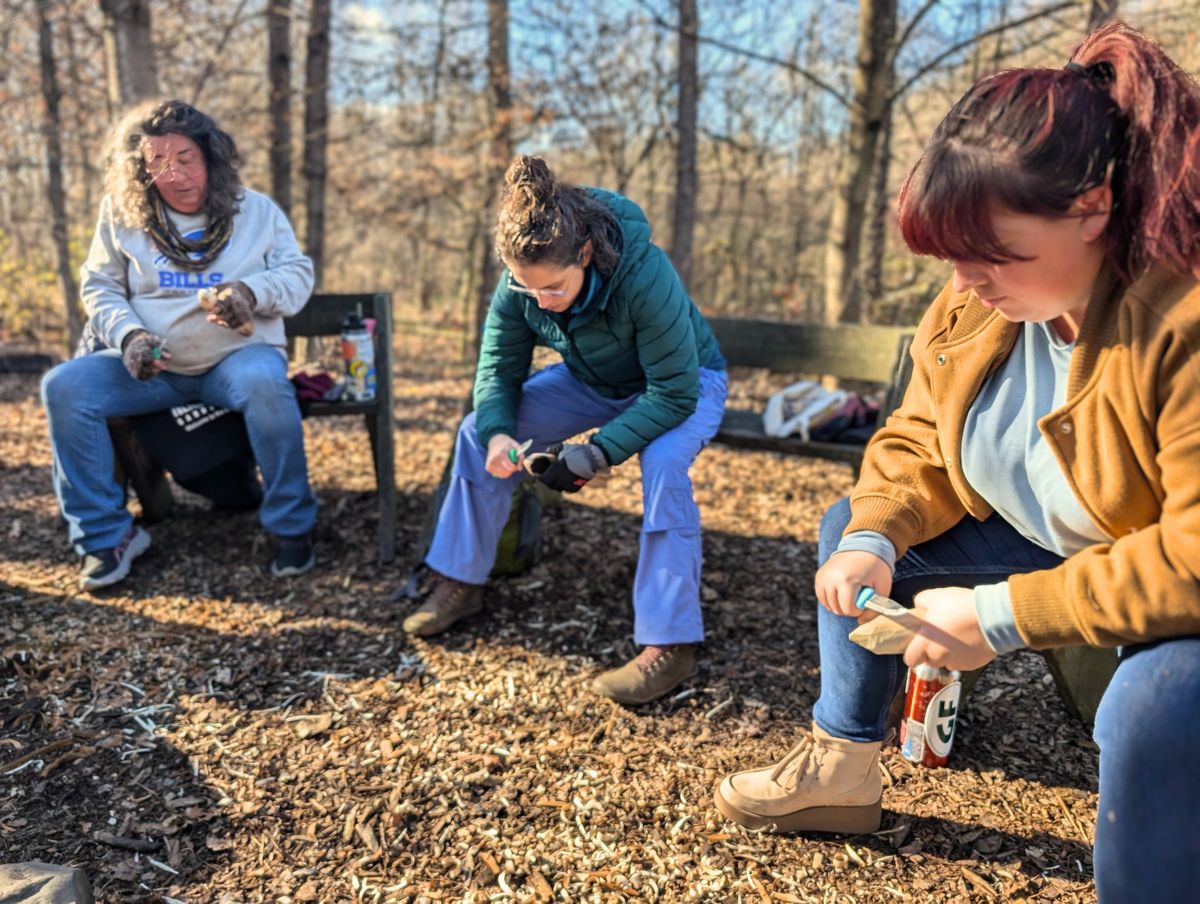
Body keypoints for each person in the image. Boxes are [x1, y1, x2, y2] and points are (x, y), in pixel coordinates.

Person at [713, 23, 1200, 902]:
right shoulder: (983, 295)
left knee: (1156, 711)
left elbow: (1192, 555)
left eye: (989, 254)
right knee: (852, 534)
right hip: (1056, 532)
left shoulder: (1181, 320)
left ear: (1093, 207)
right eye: (952, 257)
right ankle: (846, 765)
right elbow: (916, 438)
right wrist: (873, 531)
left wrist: (1002, 614)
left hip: (1162, 567)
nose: (964, 281)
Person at [404, 155, 727, 706]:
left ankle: (671, 643)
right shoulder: (522, 283)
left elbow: (673, 393)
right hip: (591, 380)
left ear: (584, 254)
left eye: (553, 288)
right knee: (474, 432)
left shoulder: (644, 274)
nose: (542, 301)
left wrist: (597, 454)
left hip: (685, 382)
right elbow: (498, 369)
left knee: (664, 465)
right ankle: (459, 579)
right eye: (528, 290)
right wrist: (501, 431)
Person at [41, 99, 318, 589]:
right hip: (152, 369)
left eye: (186, 159)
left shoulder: (256, 212)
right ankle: (106, 537)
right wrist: (129, 336)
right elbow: (99, 286)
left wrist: (251, 293)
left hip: (234, 359)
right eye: (157, 163)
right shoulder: (121, 215)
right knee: (65, 386)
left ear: (210, 158)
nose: (174, 175)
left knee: (267, 386)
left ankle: (292, 528)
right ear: (140, 170)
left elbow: (297, 276)